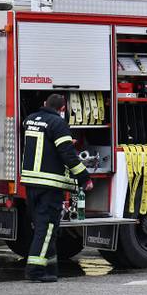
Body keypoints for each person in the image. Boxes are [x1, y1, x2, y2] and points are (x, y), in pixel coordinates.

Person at [20, 93, 92, 282]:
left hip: (31, 183)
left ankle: (51, 269)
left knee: (44, 228)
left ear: (45, 103)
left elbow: (44, 145)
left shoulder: (30, 120)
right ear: (63, 109)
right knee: (47, 228)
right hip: (49, 185)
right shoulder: (58, 124)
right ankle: (35, 271)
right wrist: (84, 178)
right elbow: (67, 154)